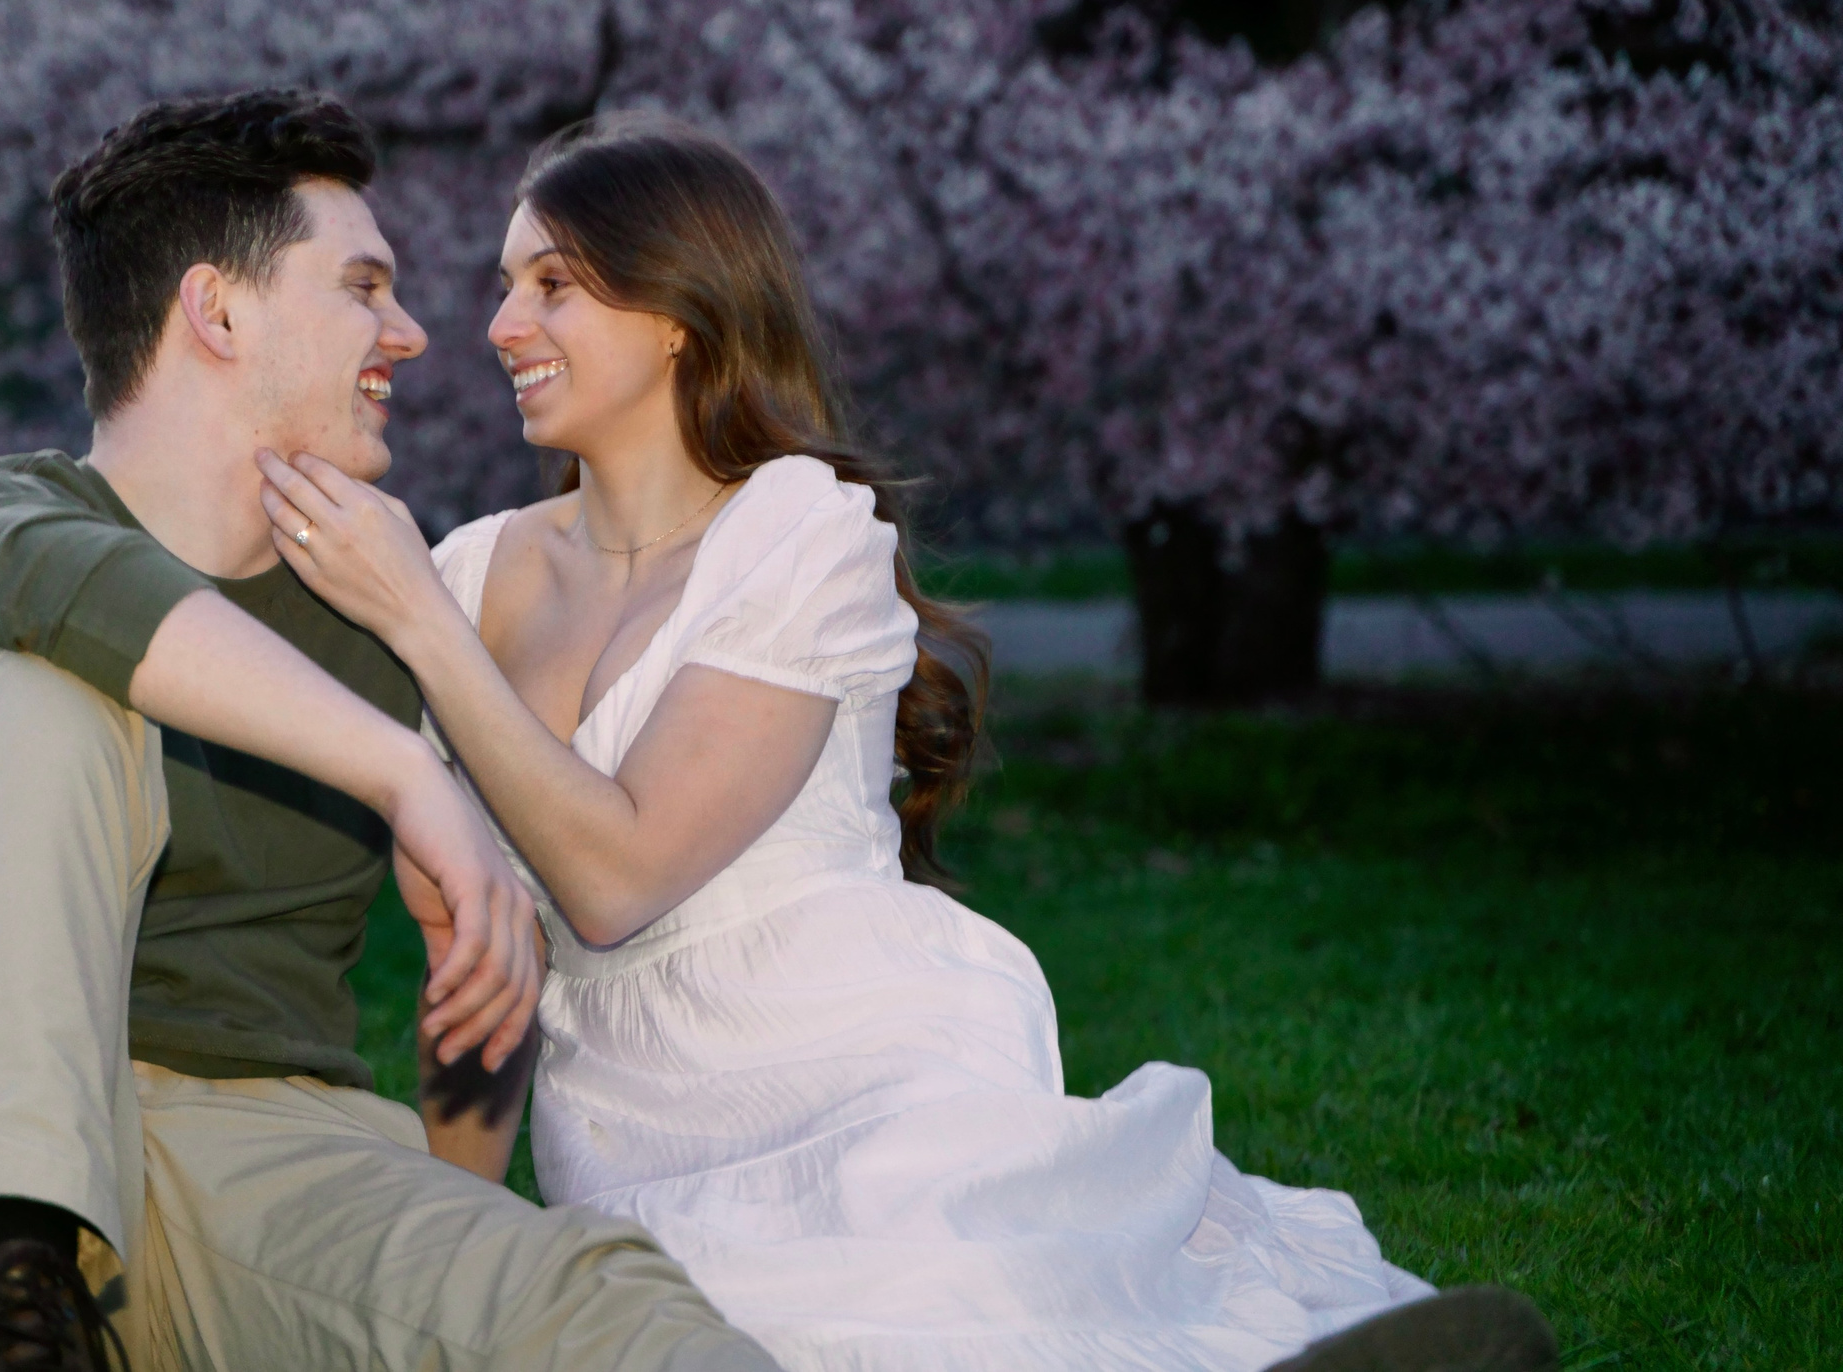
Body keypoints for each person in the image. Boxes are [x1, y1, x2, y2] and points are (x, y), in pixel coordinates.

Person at [252, 113, 1562, 1372]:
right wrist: (456, 1267)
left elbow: (617, 876)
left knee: (926, 1296)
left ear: (675, 313)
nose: (498, 326)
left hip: (869, 1070)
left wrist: (421, 626)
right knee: (722, 1335)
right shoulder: (471, 575)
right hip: (637, 1136)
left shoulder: (801, 534)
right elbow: (471, 969)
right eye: (503, 285)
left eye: (552, 285)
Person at [0, 90, 788, 1372]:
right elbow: (84, 596)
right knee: (43, 692)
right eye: (363, 285)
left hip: (260, 1162)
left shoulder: (382, 618)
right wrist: (404, 771)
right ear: (217, 311)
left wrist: (451, 1221)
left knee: (603, 1306)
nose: (410, 334)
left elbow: (475, 998)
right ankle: (8, 1275)